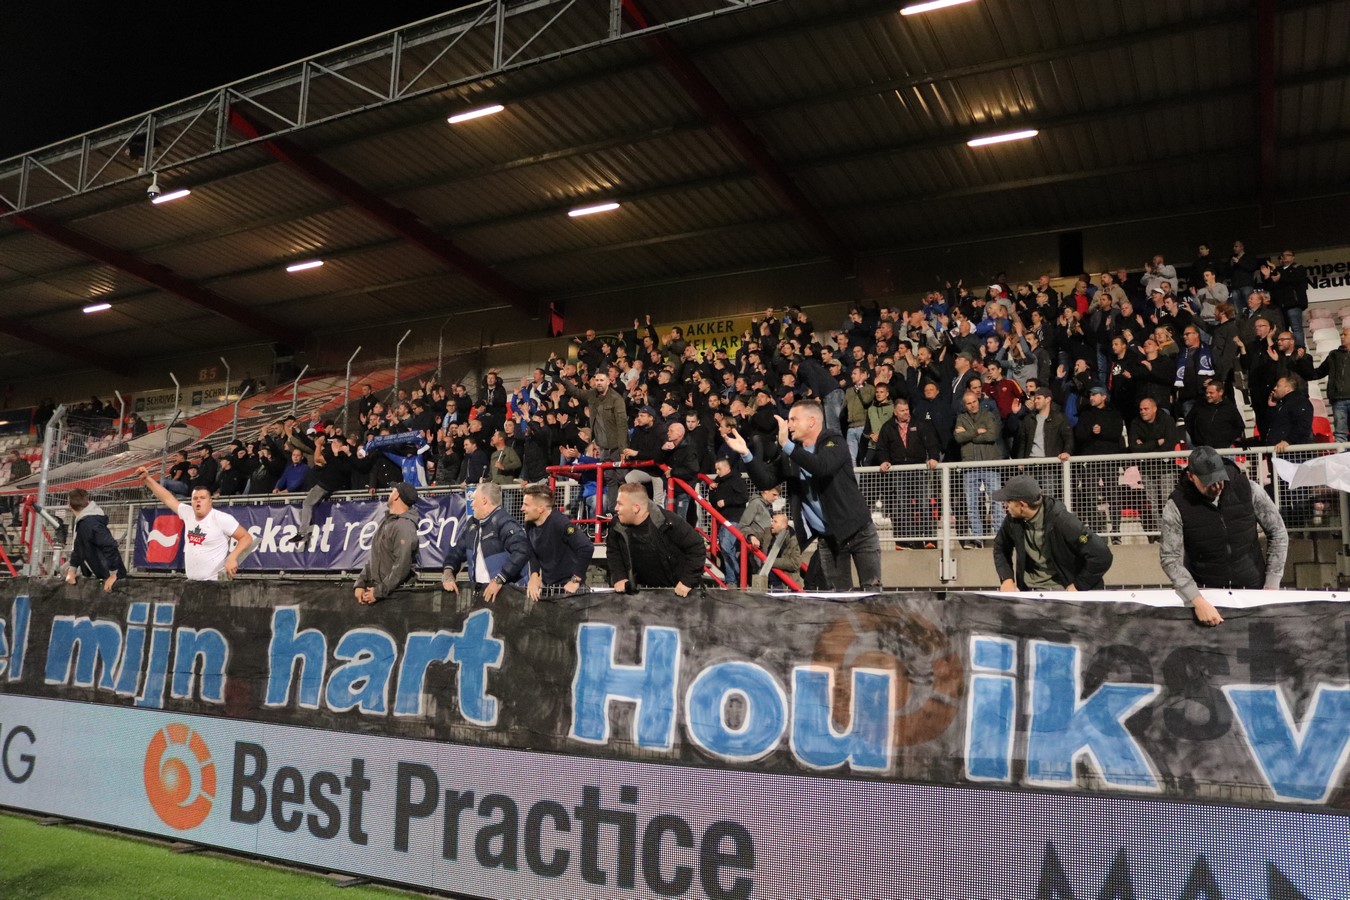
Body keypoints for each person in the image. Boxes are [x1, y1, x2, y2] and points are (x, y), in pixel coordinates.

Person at [725, 400, 881, 591]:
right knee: (839, 598)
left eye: (794, 419)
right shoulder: (790, 455)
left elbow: (821, 466)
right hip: (829, 539)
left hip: (859, 531)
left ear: (812, 421)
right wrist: (746, 454)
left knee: (873, 593)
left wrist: (786, 445)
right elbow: (766, 481)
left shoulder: (834, 441)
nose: (788, 424)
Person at [1160, 447, 1288, 626]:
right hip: (1207, 596)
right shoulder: (1176, 505)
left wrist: (1271, 585)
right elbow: (1169, 558)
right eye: (1208, 482)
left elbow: (1278, 532)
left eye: (1220, 478)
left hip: (1254, 589)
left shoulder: (1248, 488)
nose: (1216, 486)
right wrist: (1197, 601)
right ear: (1191, 476)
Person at [991, 475, 1113, 592]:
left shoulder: (1063, 521)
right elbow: (1000, 547)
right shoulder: (1012, 520)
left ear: (1022, 505)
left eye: (1008, 501)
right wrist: (1007, 579)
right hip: (1029, 593)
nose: (1005, 505)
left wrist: (1079, 585)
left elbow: (1102, 556)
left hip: (1062, 594)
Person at [135, 466, 253, 581]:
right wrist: (147, 479)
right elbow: (167, 498)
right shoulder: (188, 513)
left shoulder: (221, 518)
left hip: (214, 583)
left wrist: (232, 557)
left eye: (202, 498)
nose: (198, 501)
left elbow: (246, 537)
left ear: (210, 501)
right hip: (192, 582)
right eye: (195, 498)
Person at [607, 482, 706, 596]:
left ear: (636, 508)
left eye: (620, 504)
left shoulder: (668, 521)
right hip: (641, 595)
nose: (615, 508)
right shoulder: (617, 525)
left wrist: (687, 581)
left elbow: (697, 547)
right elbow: (614, 551)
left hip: (677, 593)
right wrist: (619, 577)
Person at [441, 482, 529, 602]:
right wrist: (448, 572)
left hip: (507, 598)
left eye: (474, 500)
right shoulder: (472, 524)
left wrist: (500, 579)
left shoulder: (504, 522)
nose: (471, 504)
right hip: (481, 595)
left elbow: (522, 550)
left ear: (484, 500)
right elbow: (457, 551)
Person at [520, 484, 593, 601]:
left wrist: (576, 580)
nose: (522, 508)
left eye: (526, 505)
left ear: (540, 508)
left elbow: (586, 547)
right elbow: (532, 551)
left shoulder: (560, 523)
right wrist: (534, 576)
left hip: (570, 591)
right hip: (550, 588)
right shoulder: (529, 524)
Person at [354, 482, 421, 605]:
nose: (390, 494)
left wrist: (379, 592)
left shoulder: (404, 526)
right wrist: (360, 582)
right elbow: (376, 558)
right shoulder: (385, 521)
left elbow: (401, 567)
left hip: (396, 599)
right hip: (381, 595)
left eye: (392, 491)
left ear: (396, 496)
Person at [954, 389, 1004, 549]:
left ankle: (1000, 538)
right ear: (965, 405)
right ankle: (977, 538)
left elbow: (992, 435)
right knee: (972, 505)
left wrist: (969, 435)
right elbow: (958, 437)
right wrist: (977, 431)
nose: (972, 405)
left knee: (996, 502)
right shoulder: (961, 418)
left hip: (989, 464)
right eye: (968, 403)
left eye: (974, 401)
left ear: (978, 400)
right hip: (970, 466)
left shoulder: (988, 415)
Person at [64, 488, 125, 592]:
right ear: (88, 501)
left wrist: (113, 575)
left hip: (111, 579)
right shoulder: (84, 522)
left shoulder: (90, 523)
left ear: (69, 506)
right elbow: (79, 546)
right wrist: (72, 570)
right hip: (103, 574)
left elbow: (109, 545)